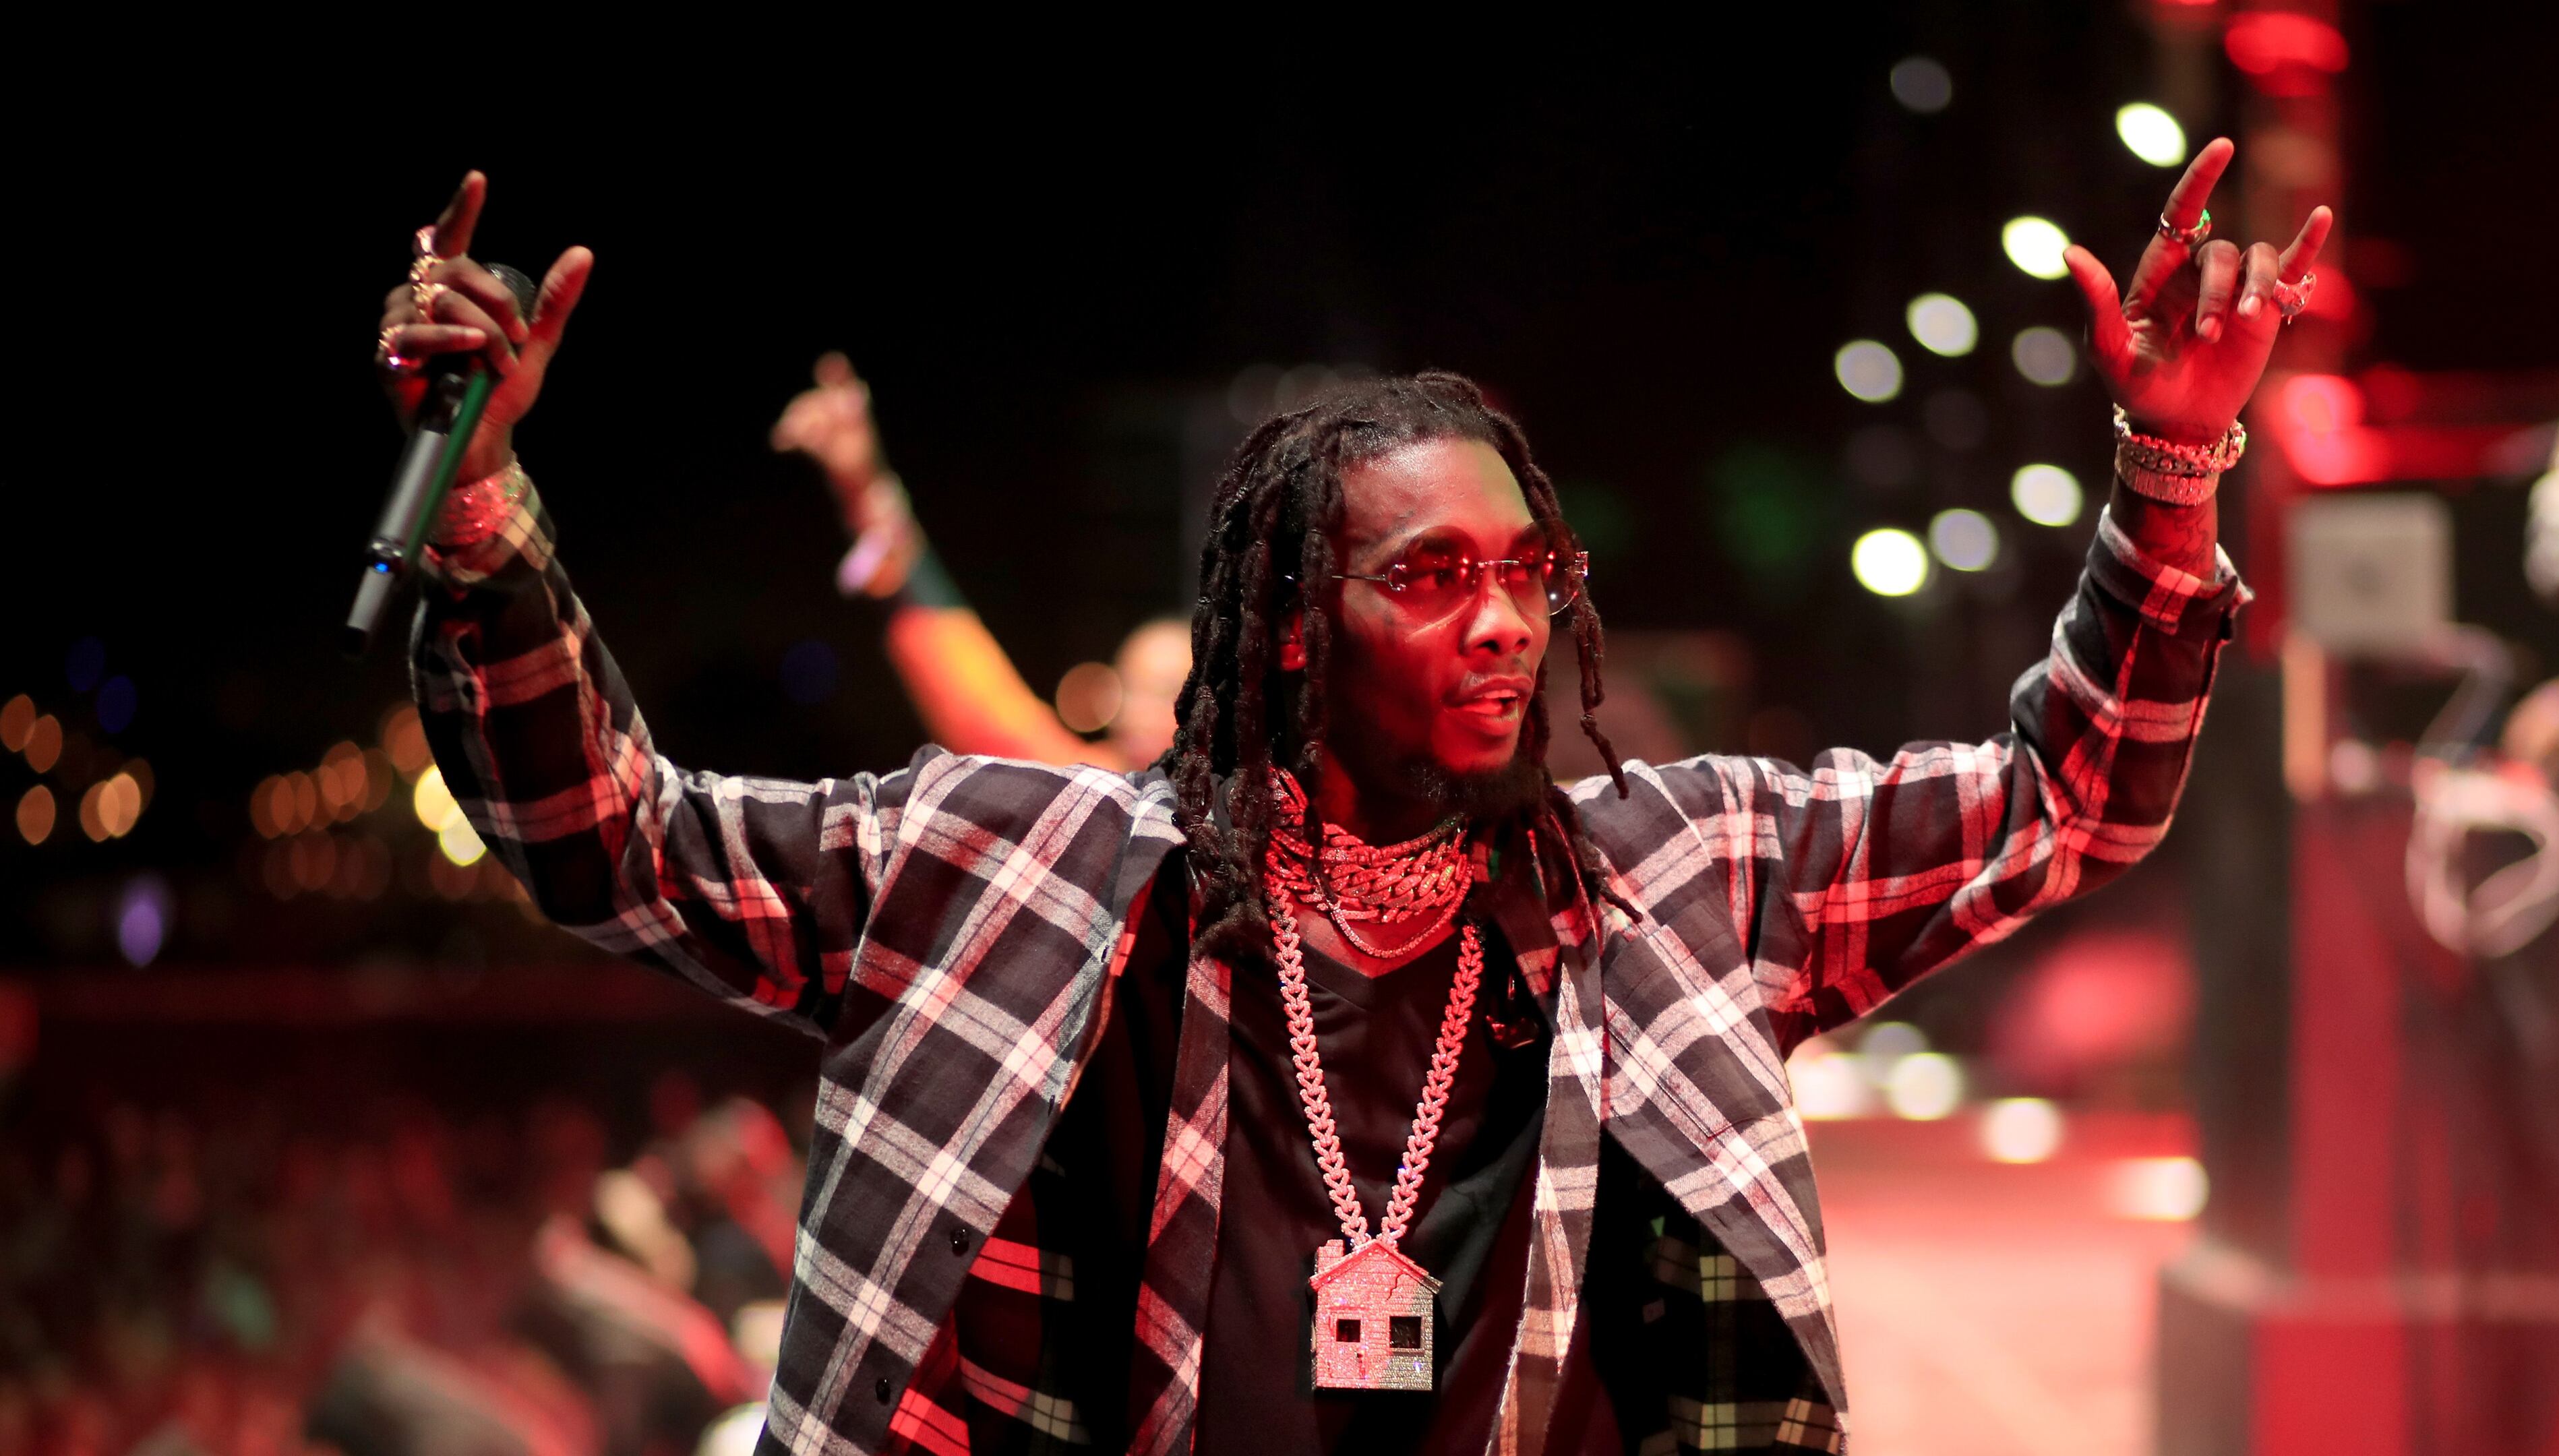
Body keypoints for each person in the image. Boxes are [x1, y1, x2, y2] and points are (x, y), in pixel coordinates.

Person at [375, 143, 2327, 1455]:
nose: (1503, 624)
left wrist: (2169, 460)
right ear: (1295, 634)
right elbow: (614, 840)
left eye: (1525, 573)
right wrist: (480, 525)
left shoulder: (1676, 875)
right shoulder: (1025, 876)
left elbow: (2067, 801)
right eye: (1430, 578)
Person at [768, 353, 1191, 771]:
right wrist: (863, 487)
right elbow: (970, 688)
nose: (1132, 711)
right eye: (1129, 690)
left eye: (1162, 691)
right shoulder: (1083, 794)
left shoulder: (1245, 812)